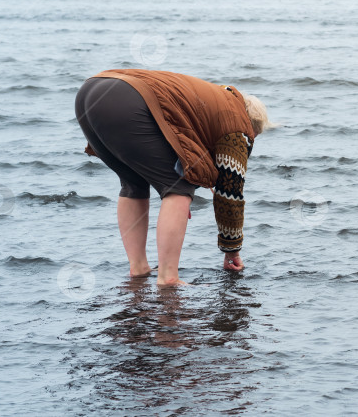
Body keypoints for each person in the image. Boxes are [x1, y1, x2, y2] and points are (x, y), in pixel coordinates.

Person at [74, 69, 272, 286]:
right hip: (127, 98)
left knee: (134, 183)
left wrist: (177, 197)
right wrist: (232, 251)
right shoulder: (237, 124)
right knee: (178, 186)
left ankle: (139, 269)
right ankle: (168, 278)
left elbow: (175, 143)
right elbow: (230, 195)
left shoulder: (212, 100)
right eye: (253, 139)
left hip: (91, 91)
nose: (248, 144)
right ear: (252, 126)